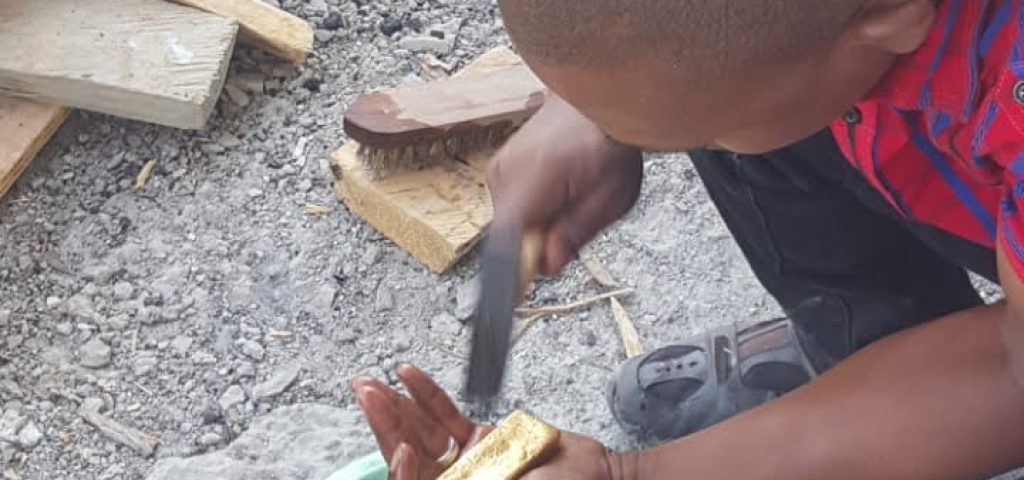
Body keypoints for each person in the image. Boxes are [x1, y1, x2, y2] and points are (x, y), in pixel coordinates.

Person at [351, 0, 1024, 478]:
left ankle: (909, 410)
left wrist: (634, 474)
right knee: (744, 95)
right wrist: (599, 112)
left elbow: (1013, 370)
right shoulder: (820, 24)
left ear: (891, 16)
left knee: (744, 103)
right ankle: (867, 361)